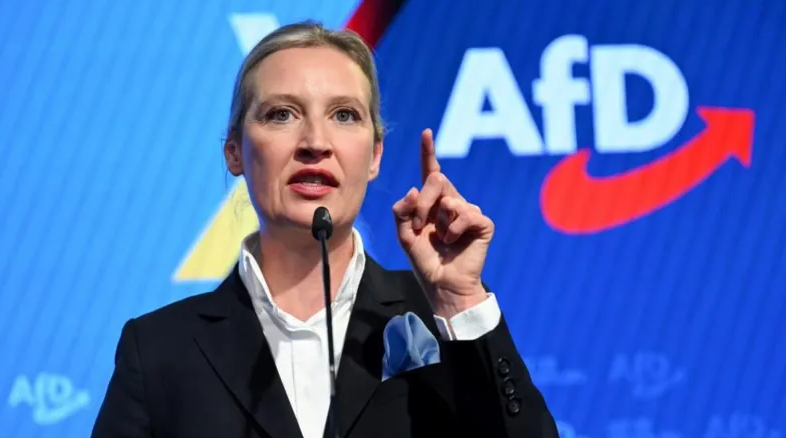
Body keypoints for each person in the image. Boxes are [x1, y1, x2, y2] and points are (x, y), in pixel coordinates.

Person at [91, 20, 558, 438]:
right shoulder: (159, 351)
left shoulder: (441, 322)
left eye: (344, 115)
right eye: (282, 114)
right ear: (234, 152)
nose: (315, 142)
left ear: (374, 155)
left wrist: (459, 301)